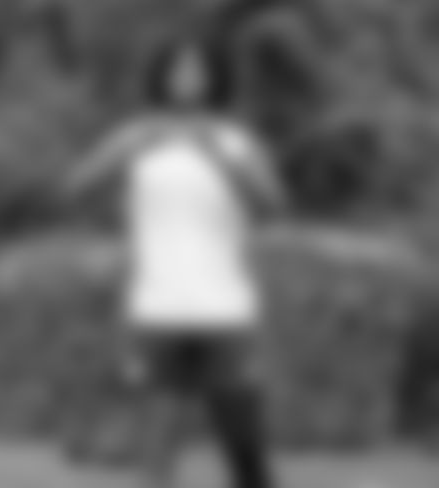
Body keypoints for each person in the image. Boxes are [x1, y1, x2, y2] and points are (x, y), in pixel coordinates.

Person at [61, 36, 286, 488]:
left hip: (226, 309)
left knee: (245, 446)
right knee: (156, 453)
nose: (188, 78)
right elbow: (76, 188)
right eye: (178, 68)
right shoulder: (137, 136)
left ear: (215, 77)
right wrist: (124, 155)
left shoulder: (235, 140)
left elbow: (272, 204)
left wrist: (215, 152)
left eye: (198, 68)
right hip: (157, 309)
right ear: (162, 76)